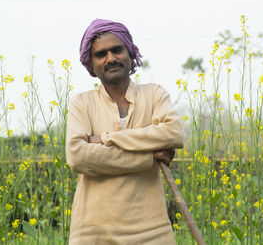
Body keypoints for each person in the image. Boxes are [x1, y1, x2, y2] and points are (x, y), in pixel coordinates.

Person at [66, 19, 184, 245]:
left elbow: (174, 133)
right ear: (92, 64)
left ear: (130, 54)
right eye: (101, 54)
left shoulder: (155, 95)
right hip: (92, 233)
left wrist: (106, 138)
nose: (110, 58)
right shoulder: (82, 104)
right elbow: (77, 156)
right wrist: (147, 157)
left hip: (152, 231)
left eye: (117, 50)